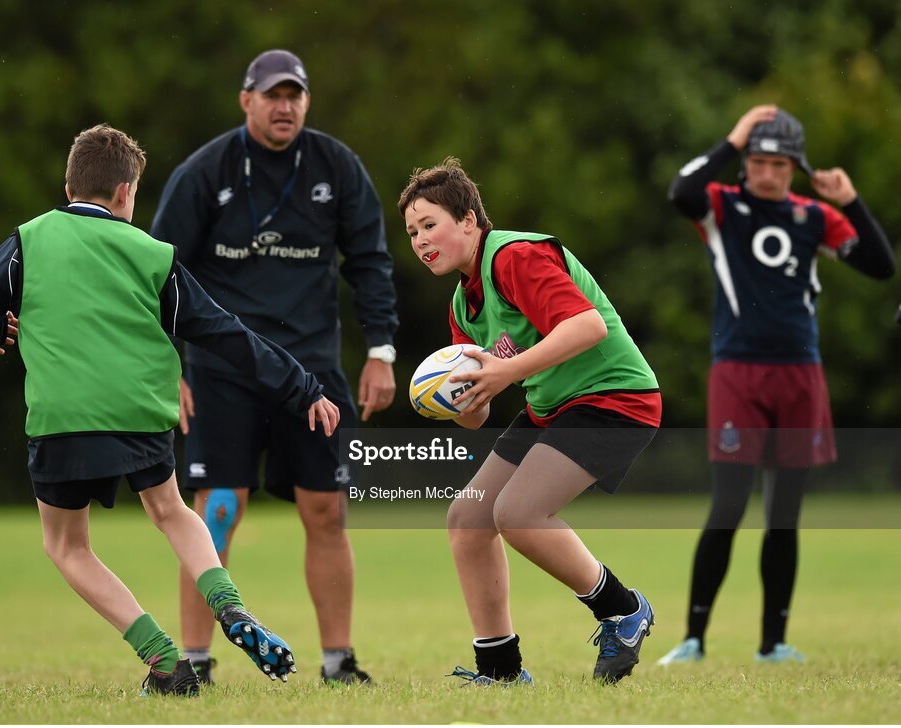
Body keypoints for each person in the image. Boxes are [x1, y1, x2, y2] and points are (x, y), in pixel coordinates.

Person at [0, 124, 341, 695]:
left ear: (68, 183)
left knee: (67, 546)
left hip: (62, 417)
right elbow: (227, 334)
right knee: (171, 510)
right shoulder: (153, 255)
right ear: (126, 193)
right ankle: (230, 609)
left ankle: (165, 662)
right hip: (140, 412)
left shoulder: (30, 240)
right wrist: (302, 387)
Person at [151, 49, 398, 685]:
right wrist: (167, 365)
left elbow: (369, 259)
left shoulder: (336, 166)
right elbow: (158, 271)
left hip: (311, 371)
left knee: (326, 510)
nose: (284, 106)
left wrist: (381, 350)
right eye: (272, 95)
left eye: (295, 95)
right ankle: (197, 661)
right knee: (217, 511)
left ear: (306, 102)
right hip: (221, 369)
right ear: (247, 100)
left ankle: (339, 661)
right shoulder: (205, 171)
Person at [398, 158, 662, 685]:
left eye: (430, 224)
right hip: (554, 405)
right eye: (411, 232)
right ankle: (500, 670)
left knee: (517, 513)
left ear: (469, 220)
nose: (421, 239)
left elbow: (588, 327)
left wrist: (506, 371)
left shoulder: (516, 256)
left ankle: (623, 609)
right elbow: (479, 412)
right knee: (467, 519)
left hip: (616, 398)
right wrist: (459, 402)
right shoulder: (462, 304)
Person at [659, 105, 895, 665]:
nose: (767, 173)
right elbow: (680, 191)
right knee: (729, 505)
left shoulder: (815, 216)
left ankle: (773, 643)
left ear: (795, 168)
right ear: (746, 164)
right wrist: (733, 137)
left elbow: (881, 266)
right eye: (758, 161)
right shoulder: (721, 206)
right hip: (737, 372)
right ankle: (693, 639)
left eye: (779, 164)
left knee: (784, 514)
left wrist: (851, 201)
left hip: (800, 373)